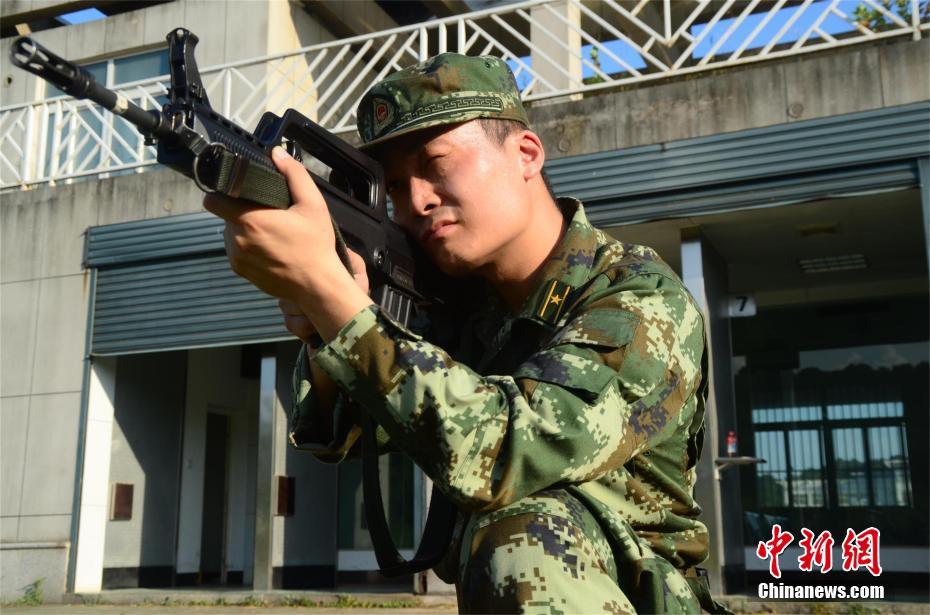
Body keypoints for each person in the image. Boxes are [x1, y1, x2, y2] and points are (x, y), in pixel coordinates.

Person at [204, 53, 716, 614]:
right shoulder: (459, 302)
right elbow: (345, 432)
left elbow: (508, 453)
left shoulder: (638, 299)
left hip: (644, 597)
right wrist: (323, 321)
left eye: (436, 163)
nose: (415, 201)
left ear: (525, 154)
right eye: (396, 185)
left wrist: (339, 305)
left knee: (527, 535)